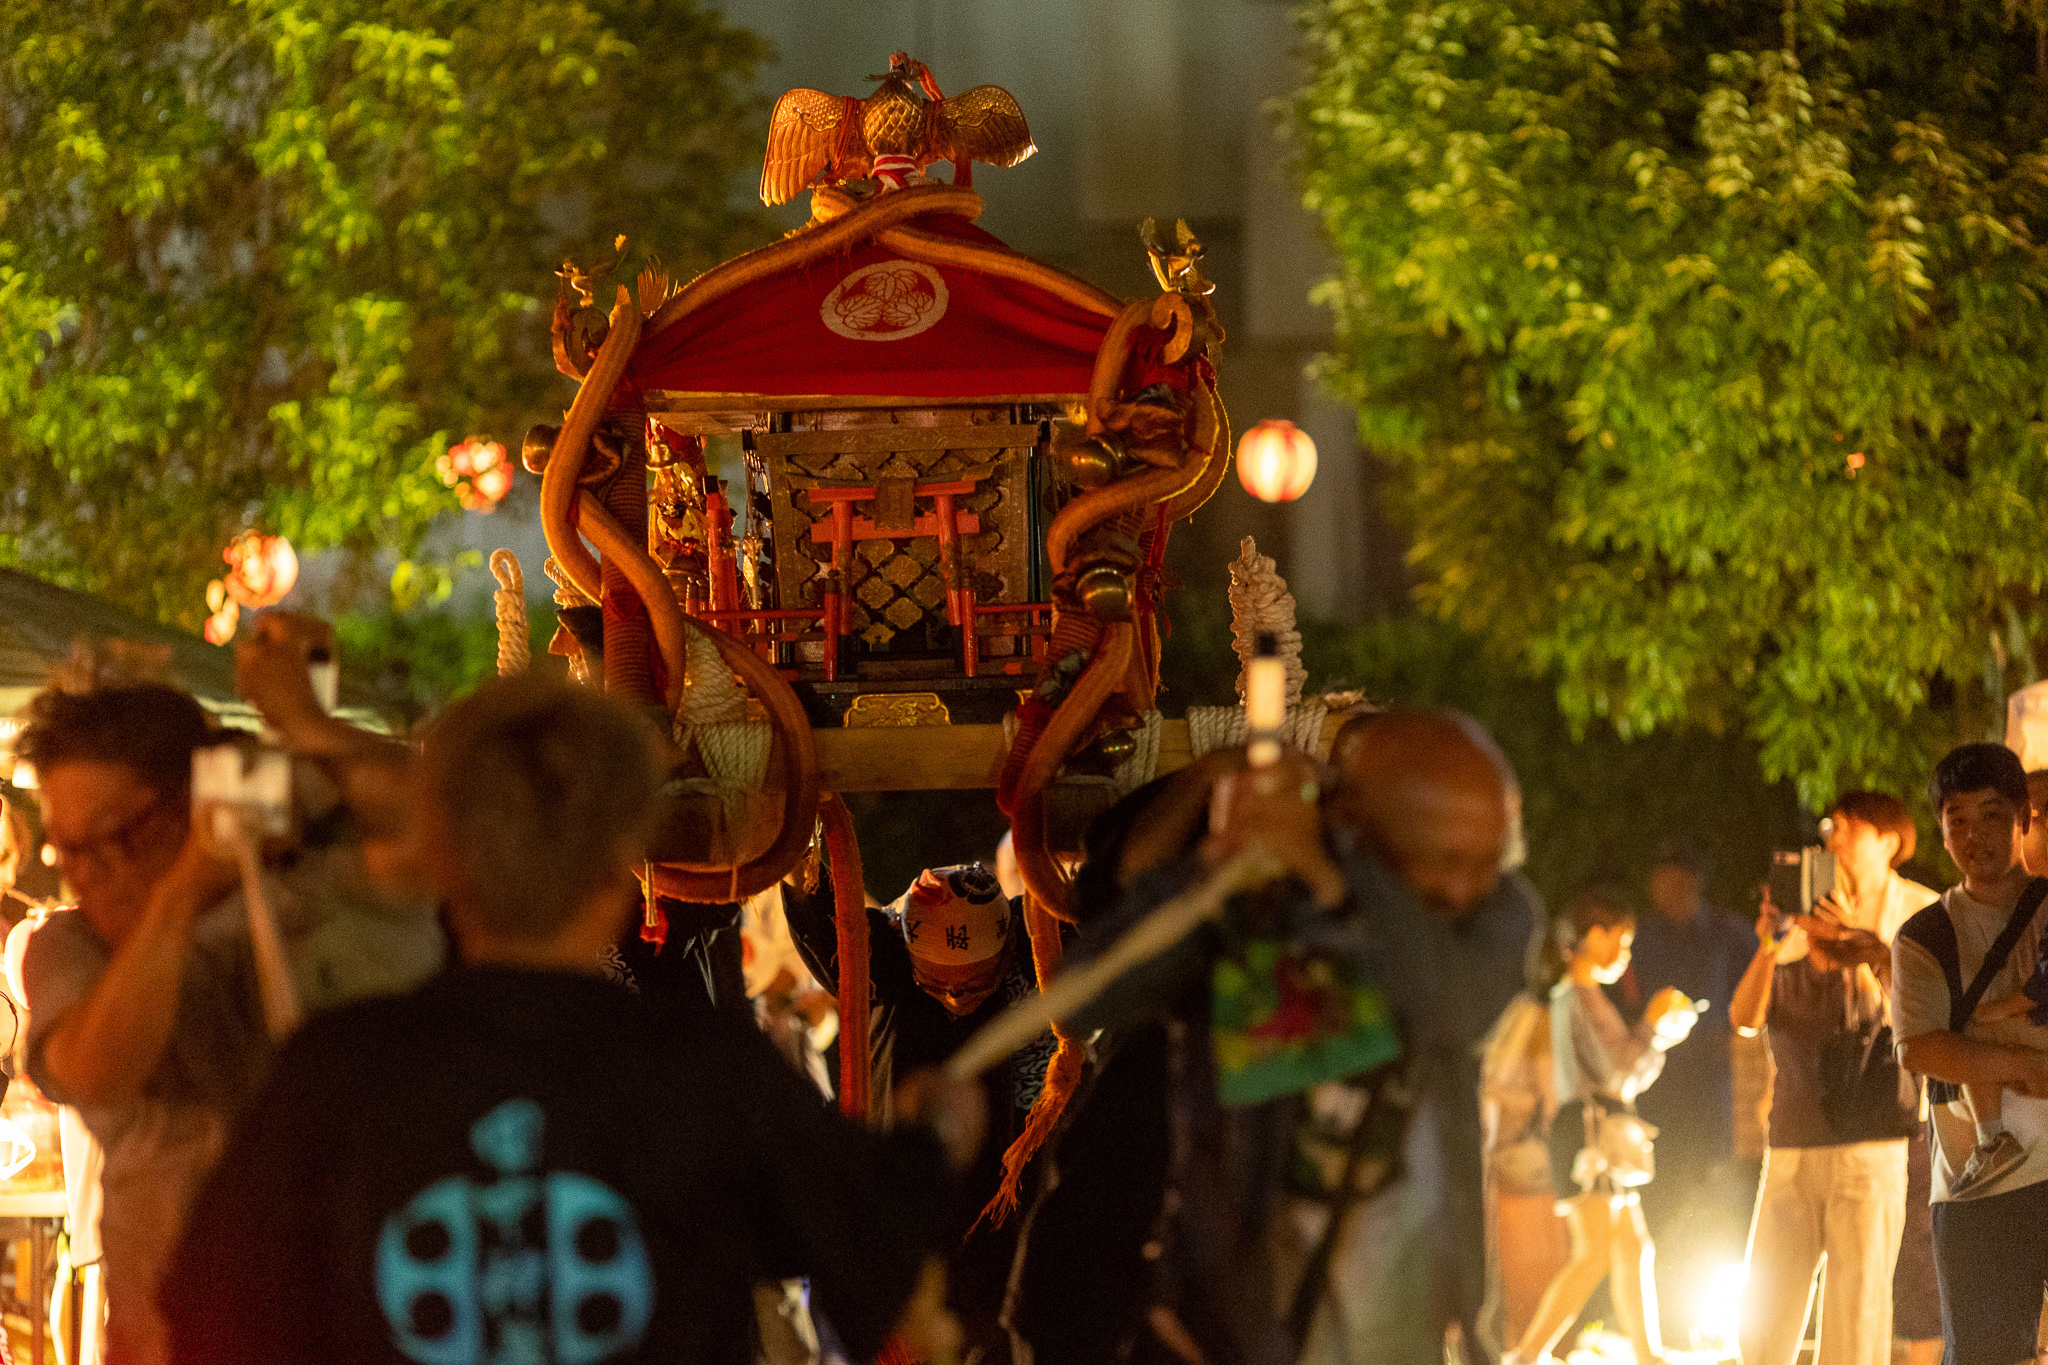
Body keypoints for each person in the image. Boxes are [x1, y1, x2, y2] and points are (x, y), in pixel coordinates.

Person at [162, 675, 982, 1365]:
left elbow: (209, 1306)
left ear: (440, 857)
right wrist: (935, 1134)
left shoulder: (334, 1071)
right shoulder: (705, 1074)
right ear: (624, 865)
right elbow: (872, 1238)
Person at [18, 621, 440, 1365]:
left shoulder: (315, 888)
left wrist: (304, 723)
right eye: (70, 848)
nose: (95, 872)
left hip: (359, 1318)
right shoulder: (68, 947)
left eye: (123, 834)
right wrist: (183, 890)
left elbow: (447, 820)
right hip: (178, 1334)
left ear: (196, 798)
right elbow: (95, 1070)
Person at [784, 861, 1057, 1364]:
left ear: (1006, 955)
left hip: (1007, 1217)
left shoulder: (1035, 953)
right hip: (902, 1214)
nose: (954, 997)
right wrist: (801, 853)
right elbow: (822, 914)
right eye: (936, 982)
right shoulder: (880, 967)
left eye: (973, 983)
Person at [1727, 789, 1932, 1365]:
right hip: (1793, 1137)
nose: (1832, 838)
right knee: (1764, 1323)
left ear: (1889, 841)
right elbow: (1744, 1018)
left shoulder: (1920, 912)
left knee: (1855, 1321)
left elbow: (1926, 1017)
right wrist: (1771, 942)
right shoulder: (1801, 914)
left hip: (1872, 1138)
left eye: (1848, 827)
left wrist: (1861, 946)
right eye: (1829, 827)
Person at [1892, 743, 2048, 1365]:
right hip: (1978, 1185)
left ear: (2023, 819)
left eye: (1992, 816)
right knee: (1987, 1354)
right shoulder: (1924, 935)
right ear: (1941, 830)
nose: (1974, 835)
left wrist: (1985, 1050)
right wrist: (2023, 1065)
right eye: (1958, 820)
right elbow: (1920, 1046)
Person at [1504, 886, 1699, 1365]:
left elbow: (1624, 1073)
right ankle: (1527, 1355)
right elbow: (1618, 1073)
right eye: (1622, 941)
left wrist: (1656, 1033)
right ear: (1594, 936)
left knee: (1633, 1247)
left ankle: (1648, 1354)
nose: (1627, 954)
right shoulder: (1575, 998)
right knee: (1593, 1253)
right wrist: (1653, 1026)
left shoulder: (1578, 997)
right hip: (1588, 1135)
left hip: (1597, 1131)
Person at [1603, 837, 1752, 1340]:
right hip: (1654, 1093)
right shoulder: (1640, 939)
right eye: (1662, 876)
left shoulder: (1727, 934)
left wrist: (1734, 1038)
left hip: (1714, 1092)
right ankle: (1664, 1323)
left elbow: (1760, 991)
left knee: (1717, 1203)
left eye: (1680, 877)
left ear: (1696, 880)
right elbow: (1618, 1012)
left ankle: (1712, 1322)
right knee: (1659, 1205)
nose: (1670, 886)